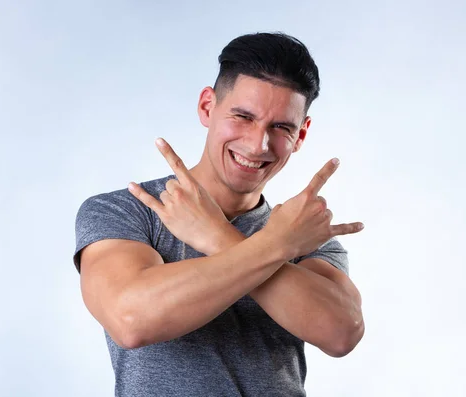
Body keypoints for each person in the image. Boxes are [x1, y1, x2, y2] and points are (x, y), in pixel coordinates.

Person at [73, 32, 365, 397]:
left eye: (281, 127)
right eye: (243, 117)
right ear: (208, 107)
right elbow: (131, 320)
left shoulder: (302, 235)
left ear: (301, 135)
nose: (258, 144)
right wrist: (276, 247)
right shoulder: (127, 210)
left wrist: (217, 236)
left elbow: (342, 332)